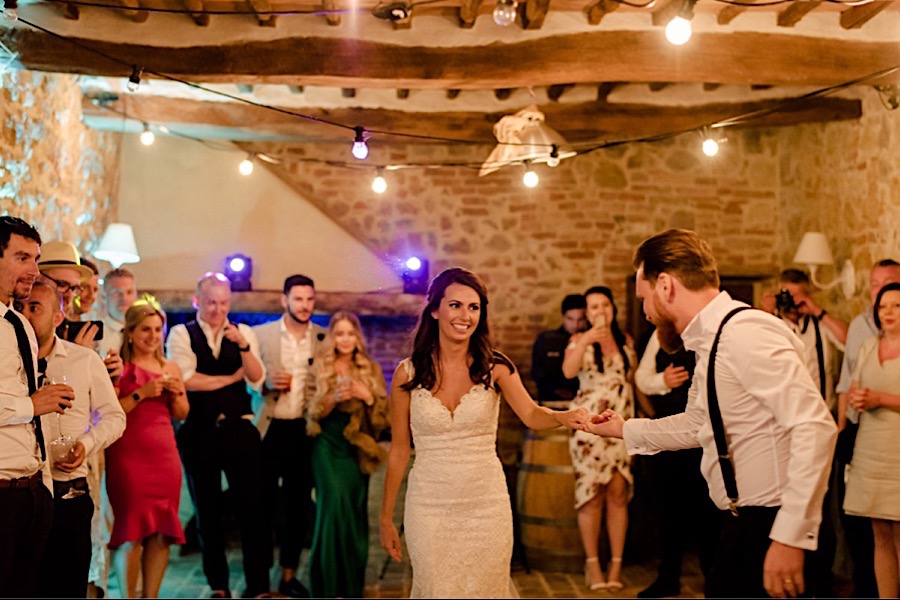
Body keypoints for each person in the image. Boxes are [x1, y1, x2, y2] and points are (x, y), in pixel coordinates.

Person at [584, 228, 837, 599]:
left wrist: (789, 536)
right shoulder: (712, 340)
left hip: (774, 524)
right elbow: (700, 423)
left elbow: (814, 426)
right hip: (744, 526)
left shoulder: (744, 333)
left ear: (666, 285)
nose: (646, 312)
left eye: (644, 297)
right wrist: (625, 430)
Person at [379, 267, 590, 597]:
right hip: (429, 506)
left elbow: (533, 415)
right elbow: (399, 450)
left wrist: (565, 417)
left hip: (485, 506)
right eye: (456, 305)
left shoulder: (496, 367)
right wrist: (385, 518)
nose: (465, 316)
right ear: (435, 309)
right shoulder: (408, 374)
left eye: (474, 307)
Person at [18, 277, 126, 598]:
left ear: (57, 317)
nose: (23, 314)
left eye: (34, 307)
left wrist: (86, 444)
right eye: (20, 306)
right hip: (22, 498)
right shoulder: (8, 363)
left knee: (67, 587)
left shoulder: (84, 360)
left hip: (69, 496)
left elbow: (115, 417)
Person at [167, 272, 272, 599]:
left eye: (224, 302)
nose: (217, 309)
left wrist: (243, 349)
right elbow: (186, 379)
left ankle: (258, 586)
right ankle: (219, 586)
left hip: (240, 429)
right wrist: (229, 379)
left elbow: (256, 378)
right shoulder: (181, 334)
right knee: (207, 511)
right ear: (197, 300)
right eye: (211, 302)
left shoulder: (243, 333)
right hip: (198, 432)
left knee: (253, 508)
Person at [0, 216, 74, 597]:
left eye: (37, 258)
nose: (34, 269)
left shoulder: (19, 323)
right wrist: (30, 404)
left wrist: (42, 486)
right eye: (23, 257)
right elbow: (28, 405)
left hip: (31, 491)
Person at [304, 311, 390, 597]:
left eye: (350, 334)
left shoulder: (370, 368)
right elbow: (309, 413)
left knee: (354, 512)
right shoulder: (318, 365)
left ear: (357, 338)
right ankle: (326, 586)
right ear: (332, 337)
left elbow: (382, 417)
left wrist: (366, 396)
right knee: (332, 510)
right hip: (326, 444)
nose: (345, 339)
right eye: (339, 334)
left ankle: (351, 587)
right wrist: (332, 399)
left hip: (357, 448)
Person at [106, 302, 188, 598]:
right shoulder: (118, 368)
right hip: (128, 456)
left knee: (161, 534)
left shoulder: (171, 367)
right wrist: (141, 393)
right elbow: (108, 414)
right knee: (131, 534)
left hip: (165, 456)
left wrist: (176, 392)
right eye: (145, 330)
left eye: (157, 330)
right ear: (129, 333)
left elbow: (182, 412)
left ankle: (150, 596)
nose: (153, 336)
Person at [253, 274, 326, 598]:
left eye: (310, 299)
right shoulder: (261, 334)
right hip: (268, 429)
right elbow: (246, 378)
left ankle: (288, 576)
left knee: (298, 507)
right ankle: (260, 581)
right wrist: (266, 383)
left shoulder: (323, 338)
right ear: (284, 300)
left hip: (304, 430)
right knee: (261, 505)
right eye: (298, 299)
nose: (305, 305)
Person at [560, 285, 635, 592]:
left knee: (618, 492)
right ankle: (593, 565)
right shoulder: (577, 340)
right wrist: (584, 341)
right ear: (587, 314)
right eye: (593, 307)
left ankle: (616, 563)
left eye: (604, 305)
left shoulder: (625, 341)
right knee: (591, 494)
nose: (600, 311)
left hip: (621, 427)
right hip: (590, 428)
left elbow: (634, 381)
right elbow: (568, 372)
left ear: (612, 309)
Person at [633, 328, 717, 598]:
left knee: (710, 511)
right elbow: (642, 379)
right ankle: (668, 578)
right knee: (669, 509)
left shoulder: (712, 332)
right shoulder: (660, 334)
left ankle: (714, 581)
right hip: (669, 435)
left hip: (707, 437)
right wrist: (663, 380)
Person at [835, 258, 900, 598]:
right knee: (879, 535)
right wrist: (858, 401)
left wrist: (881, 399)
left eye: (897, 305)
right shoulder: (868, 347)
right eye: (883, 305)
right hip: (871, 447)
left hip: (898, 450)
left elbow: (882, 395)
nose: (888, 311)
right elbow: (854, 386)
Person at [37, 240, 101, 347]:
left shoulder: (64, 329)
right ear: (37, 279)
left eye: (74, 288)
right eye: (62, 284)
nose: (69, 295)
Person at [531, 293, 586, 403]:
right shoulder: (546, 340)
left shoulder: (591, 342)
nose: (575, 324)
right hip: (551, 400)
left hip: (584, 399)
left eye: (580, 319)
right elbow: (537, 372)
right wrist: (556, 391)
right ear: (563, 317)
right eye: (570, 319)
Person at [97, 267, 138, 359]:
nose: (124, 298)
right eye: (117, 293)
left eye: (129, 292)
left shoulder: (146, 331)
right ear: (104, 297)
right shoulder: (96, 335)